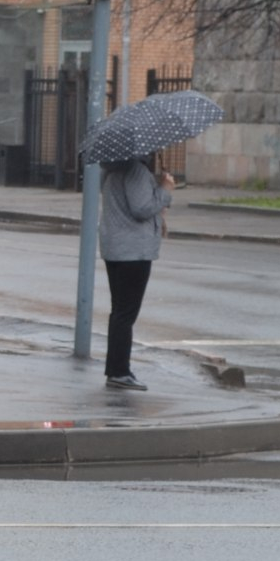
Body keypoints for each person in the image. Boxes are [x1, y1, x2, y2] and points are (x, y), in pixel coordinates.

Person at [99, 152, 175, 389]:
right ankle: (120, 372)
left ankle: (115, 369)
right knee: (126, 314)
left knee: (119, 311)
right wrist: (165, 189)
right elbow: (141, 208)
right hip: (134, 252)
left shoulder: (112, 168)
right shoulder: (136, 170)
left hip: (116, 248)